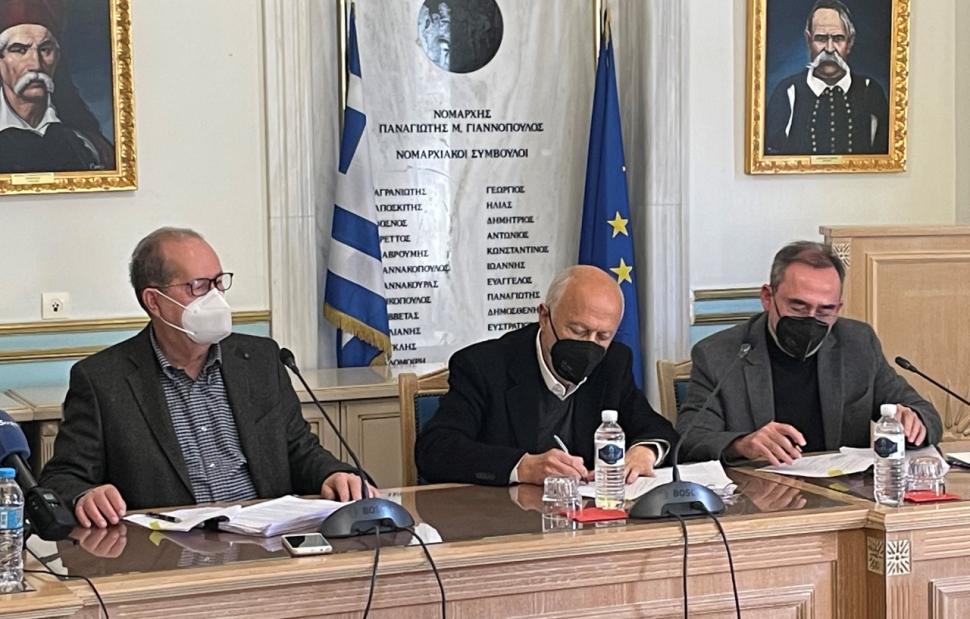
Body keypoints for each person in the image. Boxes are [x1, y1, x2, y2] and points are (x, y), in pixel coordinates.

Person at [40, 227, 370, 529]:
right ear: (154, 301)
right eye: (198, 286)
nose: (215, 298)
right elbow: (62, 478)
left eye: (218, 282)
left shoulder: (261, 360)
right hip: (166, 551)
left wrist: (333, 474)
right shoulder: (102, 380)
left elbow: (299, 450)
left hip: (266, 540)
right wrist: (85, 495)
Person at [677, 241, 943, 465]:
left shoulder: (857, 343)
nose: (811, 320)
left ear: (838, 308)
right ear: (768, 297)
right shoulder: (718, 354)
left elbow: (926, 413)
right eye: (798, 307)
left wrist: (914, 422)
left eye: (825, 311)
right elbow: (690, 439)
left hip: (843, 495)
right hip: (760, 495)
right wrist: (742, 444)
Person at [415, 265, 678, 486]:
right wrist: (523, 467)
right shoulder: (484, 366)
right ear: (544, 316)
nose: (589, 346)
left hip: (588, 516)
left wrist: (645, 451)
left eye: (603, 336)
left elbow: (657, 429)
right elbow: (435, 449)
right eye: (578, 331)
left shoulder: (613, 362)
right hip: (506, 517)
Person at [0, 0, 115, 173]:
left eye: (45, 49)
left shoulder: (94, 150)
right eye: (19, 50)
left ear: (57, 58)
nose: (36, 64)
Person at [764, 0, 888, 156]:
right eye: (821, 38)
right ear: (808, 40)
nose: (829, 49)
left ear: (850, 42)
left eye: (838, 38)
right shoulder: (787, 92)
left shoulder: (870, 92)